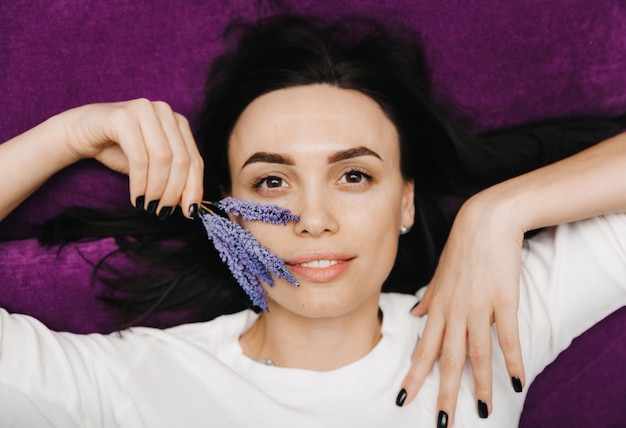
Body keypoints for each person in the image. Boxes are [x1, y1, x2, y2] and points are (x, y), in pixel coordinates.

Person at [0, 14, 625, 428]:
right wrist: (68, 136)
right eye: (271, 181)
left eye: (354, 176)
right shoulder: (129, 382)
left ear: (406, 201)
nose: (313, 219)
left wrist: (499, 212)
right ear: (229, 213)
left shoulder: (482, 327)